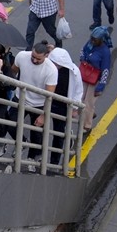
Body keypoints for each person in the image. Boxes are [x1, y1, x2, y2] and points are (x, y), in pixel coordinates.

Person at [13, 43, 58, 167]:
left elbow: (49, 96)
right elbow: (13, 72)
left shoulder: (51, 70)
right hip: (20, 98)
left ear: (46, 56)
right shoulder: (22, 56)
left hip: (39, 104)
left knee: (36, 134)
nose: (34, 60)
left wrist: (43, 115)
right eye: (33, 57)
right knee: (10, 122)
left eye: (38, 59)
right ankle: (23, 142)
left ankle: (32, 159)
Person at [44, 45, 84, 173]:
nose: (55, 66)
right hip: (47, 102)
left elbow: (78, 90)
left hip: (62, 105)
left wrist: (75, 108)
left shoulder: (74, 72)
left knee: (58, 133)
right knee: (40, 130)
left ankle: (54, 162)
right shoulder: (47, 67)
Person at [80, 27, 112, 131]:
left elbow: (106, 70)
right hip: (86, 74)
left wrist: (101, 86)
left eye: (95, 39)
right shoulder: (89, 44)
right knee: (80, 98)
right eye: (92, 38)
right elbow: (82, 50)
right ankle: (90, 113)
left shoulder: (105, 52)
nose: (92, 41)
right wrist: (83, 58)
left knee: (89, 102)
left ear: (102, 39)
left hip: (96, 79)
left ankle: (87, 125)